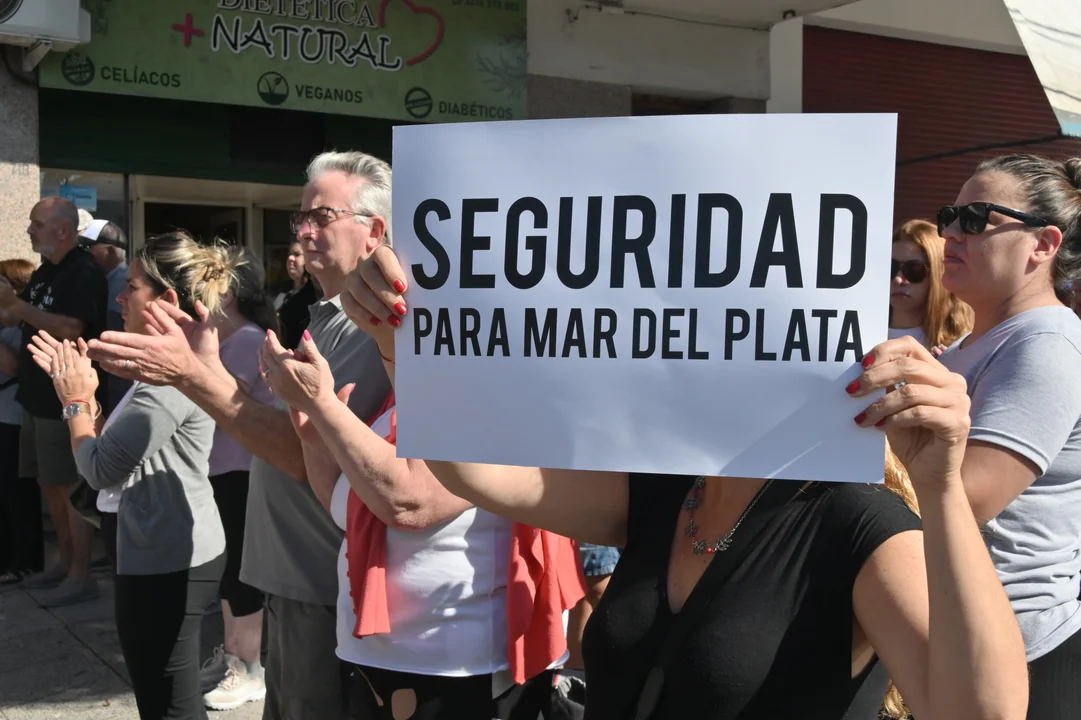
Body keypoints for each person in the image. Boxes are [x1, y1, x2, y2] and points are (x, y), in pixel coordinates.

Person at [336, 243, 1030, 720]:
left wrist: (937, 485)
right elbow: (474, 470)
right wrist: (406, 349)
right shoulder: (669, 489)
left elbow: (981, 711)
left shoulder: (854, 522)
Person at [86, 150, 394, 720]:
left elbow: (306, 454)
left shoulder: (374, 329)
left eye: (321, 216)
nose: (302, 231)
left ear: (374, 231)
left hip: (324, 584)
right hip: (294, 578)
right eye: (300, 218)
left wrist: (195, 378)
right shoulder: (322, 316)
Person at [257, 325, 584, 720]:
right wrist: (314, 433)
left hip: (457, 664)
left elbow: (409, 502)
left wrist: (322, 404)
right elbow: (347, 506)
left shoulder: (499, 398)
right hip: (390, 658)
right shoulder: (409, 397)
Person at [27, 231, 232, 719]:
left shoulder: (170, 380)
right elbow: (113, 449)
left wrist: (75, 398)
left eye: (132, 286)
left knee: (169, 703)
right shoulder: (161, 369)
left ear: (167, 300)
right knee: (163, 694)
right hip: (163, 547)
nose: (118, 295)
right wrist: (84, 398)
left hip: (169, 556)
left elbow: (98, 469)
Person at [935, 153, 1081, 718]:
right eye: (950, 215)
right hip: (962, 631)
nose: (950, 232)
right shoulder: (982, 340)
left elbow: (968, 496)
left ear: (1043, 244)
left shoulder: (1045, 343)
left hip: (1016, 649)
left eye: (976, 218)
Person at [0, 197, 107, 607]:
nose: (29, 230)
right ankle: (63, 564)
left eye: (36, 223)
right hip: (36, 393)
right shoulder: (48, 271)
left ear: (63, 230)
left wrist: (18, 308)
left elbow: (71, 326)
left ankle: (81, 574)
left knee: (69, 485)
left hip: (63, 395)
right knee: (49, 484)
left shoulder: (81, 271)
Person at [200, 256, 276, 711]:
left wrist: (203, 361)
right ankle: (235, 654)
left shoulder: (247, 340)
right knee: (232, 570)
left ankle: (248, 667)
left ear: (226, 295)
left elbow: (232, 401)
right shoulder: (238, 338)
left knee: (240, 572)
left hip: (242, 470)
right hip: (226, 468)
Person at [0, 259, 44, 585]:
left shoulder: (24, 325)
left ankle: (25, 560)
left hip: (13, 417)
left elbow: (12, 366)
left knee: (17, 493)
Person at [889, 219, 972, 350]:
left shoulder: (962, 346)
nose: (898, 279)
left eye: (914, 270)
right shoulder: (861, 336)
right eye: (891, 268)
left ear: (937, 274)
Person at [79, 218, 132, 416]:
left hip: (119, 390)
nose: (82, 253)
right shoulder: (93, 282)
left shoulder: (126, 285)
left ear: (109, 250)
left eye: (88, 247)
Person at [274, 240, 320, 349]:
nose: (290, 258)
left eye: (297, 254)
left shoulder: (316, 293)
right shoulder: (279, 290)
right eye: (289, 254)